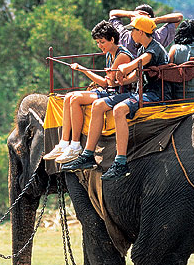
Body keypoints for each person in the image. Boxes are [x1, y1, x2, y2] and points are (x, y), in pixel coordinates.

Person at [62, 16, 170, 180]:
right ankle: (88, 155)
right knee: (98, 105)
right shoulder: (142, 48)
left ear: (140, 32)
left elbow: (140, 62)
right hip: (143, 91)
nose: (130, 33)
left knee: (119, 109)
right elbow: (136, 75)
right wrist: (125, 79)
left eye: (133, 30)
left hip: (156, 94)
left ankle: (120, 161)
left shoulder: (152, 49)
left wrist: (125, 67)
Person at [43, 20, 135, 164]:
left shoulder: (122, 56)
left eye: (102, 42)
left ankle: (75, 146)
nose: (100, 46)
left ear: (112, 39)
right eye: (98, 42)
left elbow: (107, 82)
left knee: (75, 99)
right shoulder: (109, 53)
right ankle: (64, 142)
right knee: (69, 96)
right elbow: (107, 83)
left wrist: (83, 70)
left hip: (119, 93)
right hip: (109, 91)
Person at [109, 4, 182, 55]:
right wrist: (154, 20)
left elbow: (112, 14)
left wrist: (131, 14)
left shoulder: (123, 36)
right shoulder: (158, 38)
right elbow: (179, 18)